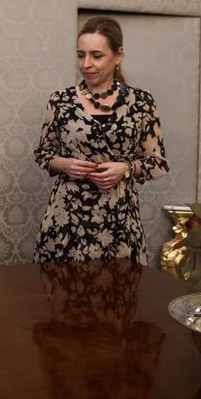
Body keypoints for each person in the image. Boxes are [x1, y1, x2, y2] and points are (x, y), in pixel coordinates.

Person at [33, 16, 169, 264]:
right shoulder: (60, 101)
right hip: (68, 219)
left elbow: (157, 163)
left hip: (119, 220)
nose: (86, 64)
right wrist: (65, 165)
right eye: (80, 55)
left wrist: (127, 168)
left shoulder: (141, 102)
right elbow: (43, 153)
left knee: (118, 297)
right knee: (63, 297)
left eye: (96, 55)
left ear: (118, 55)